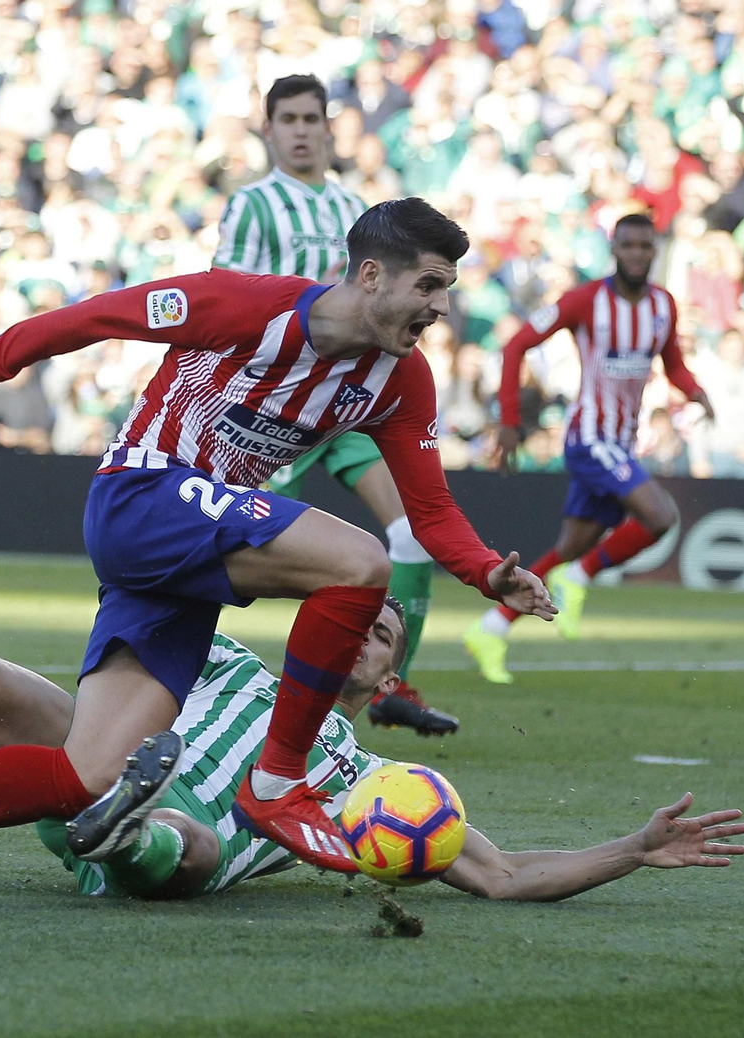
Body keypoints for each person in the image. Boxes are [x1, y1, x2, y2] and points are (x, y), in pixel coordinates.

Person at [0, 198, 553, 873]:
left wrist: (487, 572)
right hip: (146, 489)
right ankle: (276, 781)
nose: (440, 307)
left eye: (447, 289)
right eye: (429, 285)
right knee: (359, 563)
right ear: (372, 275)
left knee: (89, 773)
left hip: (197, 533)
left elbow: (430, 509)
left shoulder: (403, 381)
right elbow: (102, 313)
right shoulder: (244, 305)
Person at [0, 602, 744, 898]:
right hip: (77, 759)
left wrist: (629, 850)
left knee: (193, 843)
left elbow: (501, 876)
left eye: (381, 630)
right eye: (351, 612)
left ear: (379, 675)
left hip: (163, 853)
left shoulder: (367, 783)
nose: (361, 624)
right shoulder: (223, 659)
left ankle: (123, 827)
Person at [214, 74, 453, 738]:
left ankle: (386, 686)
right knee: (209, 549)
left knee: (410, 532)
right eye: (285, 118)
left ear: (327, 126)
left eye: (309, 118)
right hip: (272, 407)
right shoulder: (253, 206)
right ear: (269, 130)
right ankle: (159, 662)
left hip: (346, 405)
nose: (298, 129)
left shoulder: (355, 209)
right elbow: (229, 295)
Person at [464, 214, 714, 682]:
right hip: (590, 439)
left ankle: (491, 628)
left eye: (645, 246)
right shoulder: (586, 301)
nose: (637, 253)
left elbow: (674, 365)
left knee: (569, 547)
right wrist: (511, 421)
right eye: (628, 245)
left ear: (654, 251)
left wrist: (695, 390)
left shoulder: (663, 306)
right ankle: (579, 578)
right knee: (660, 518)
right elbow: (517, 344)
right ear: (614, 249)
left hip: (621, 442)